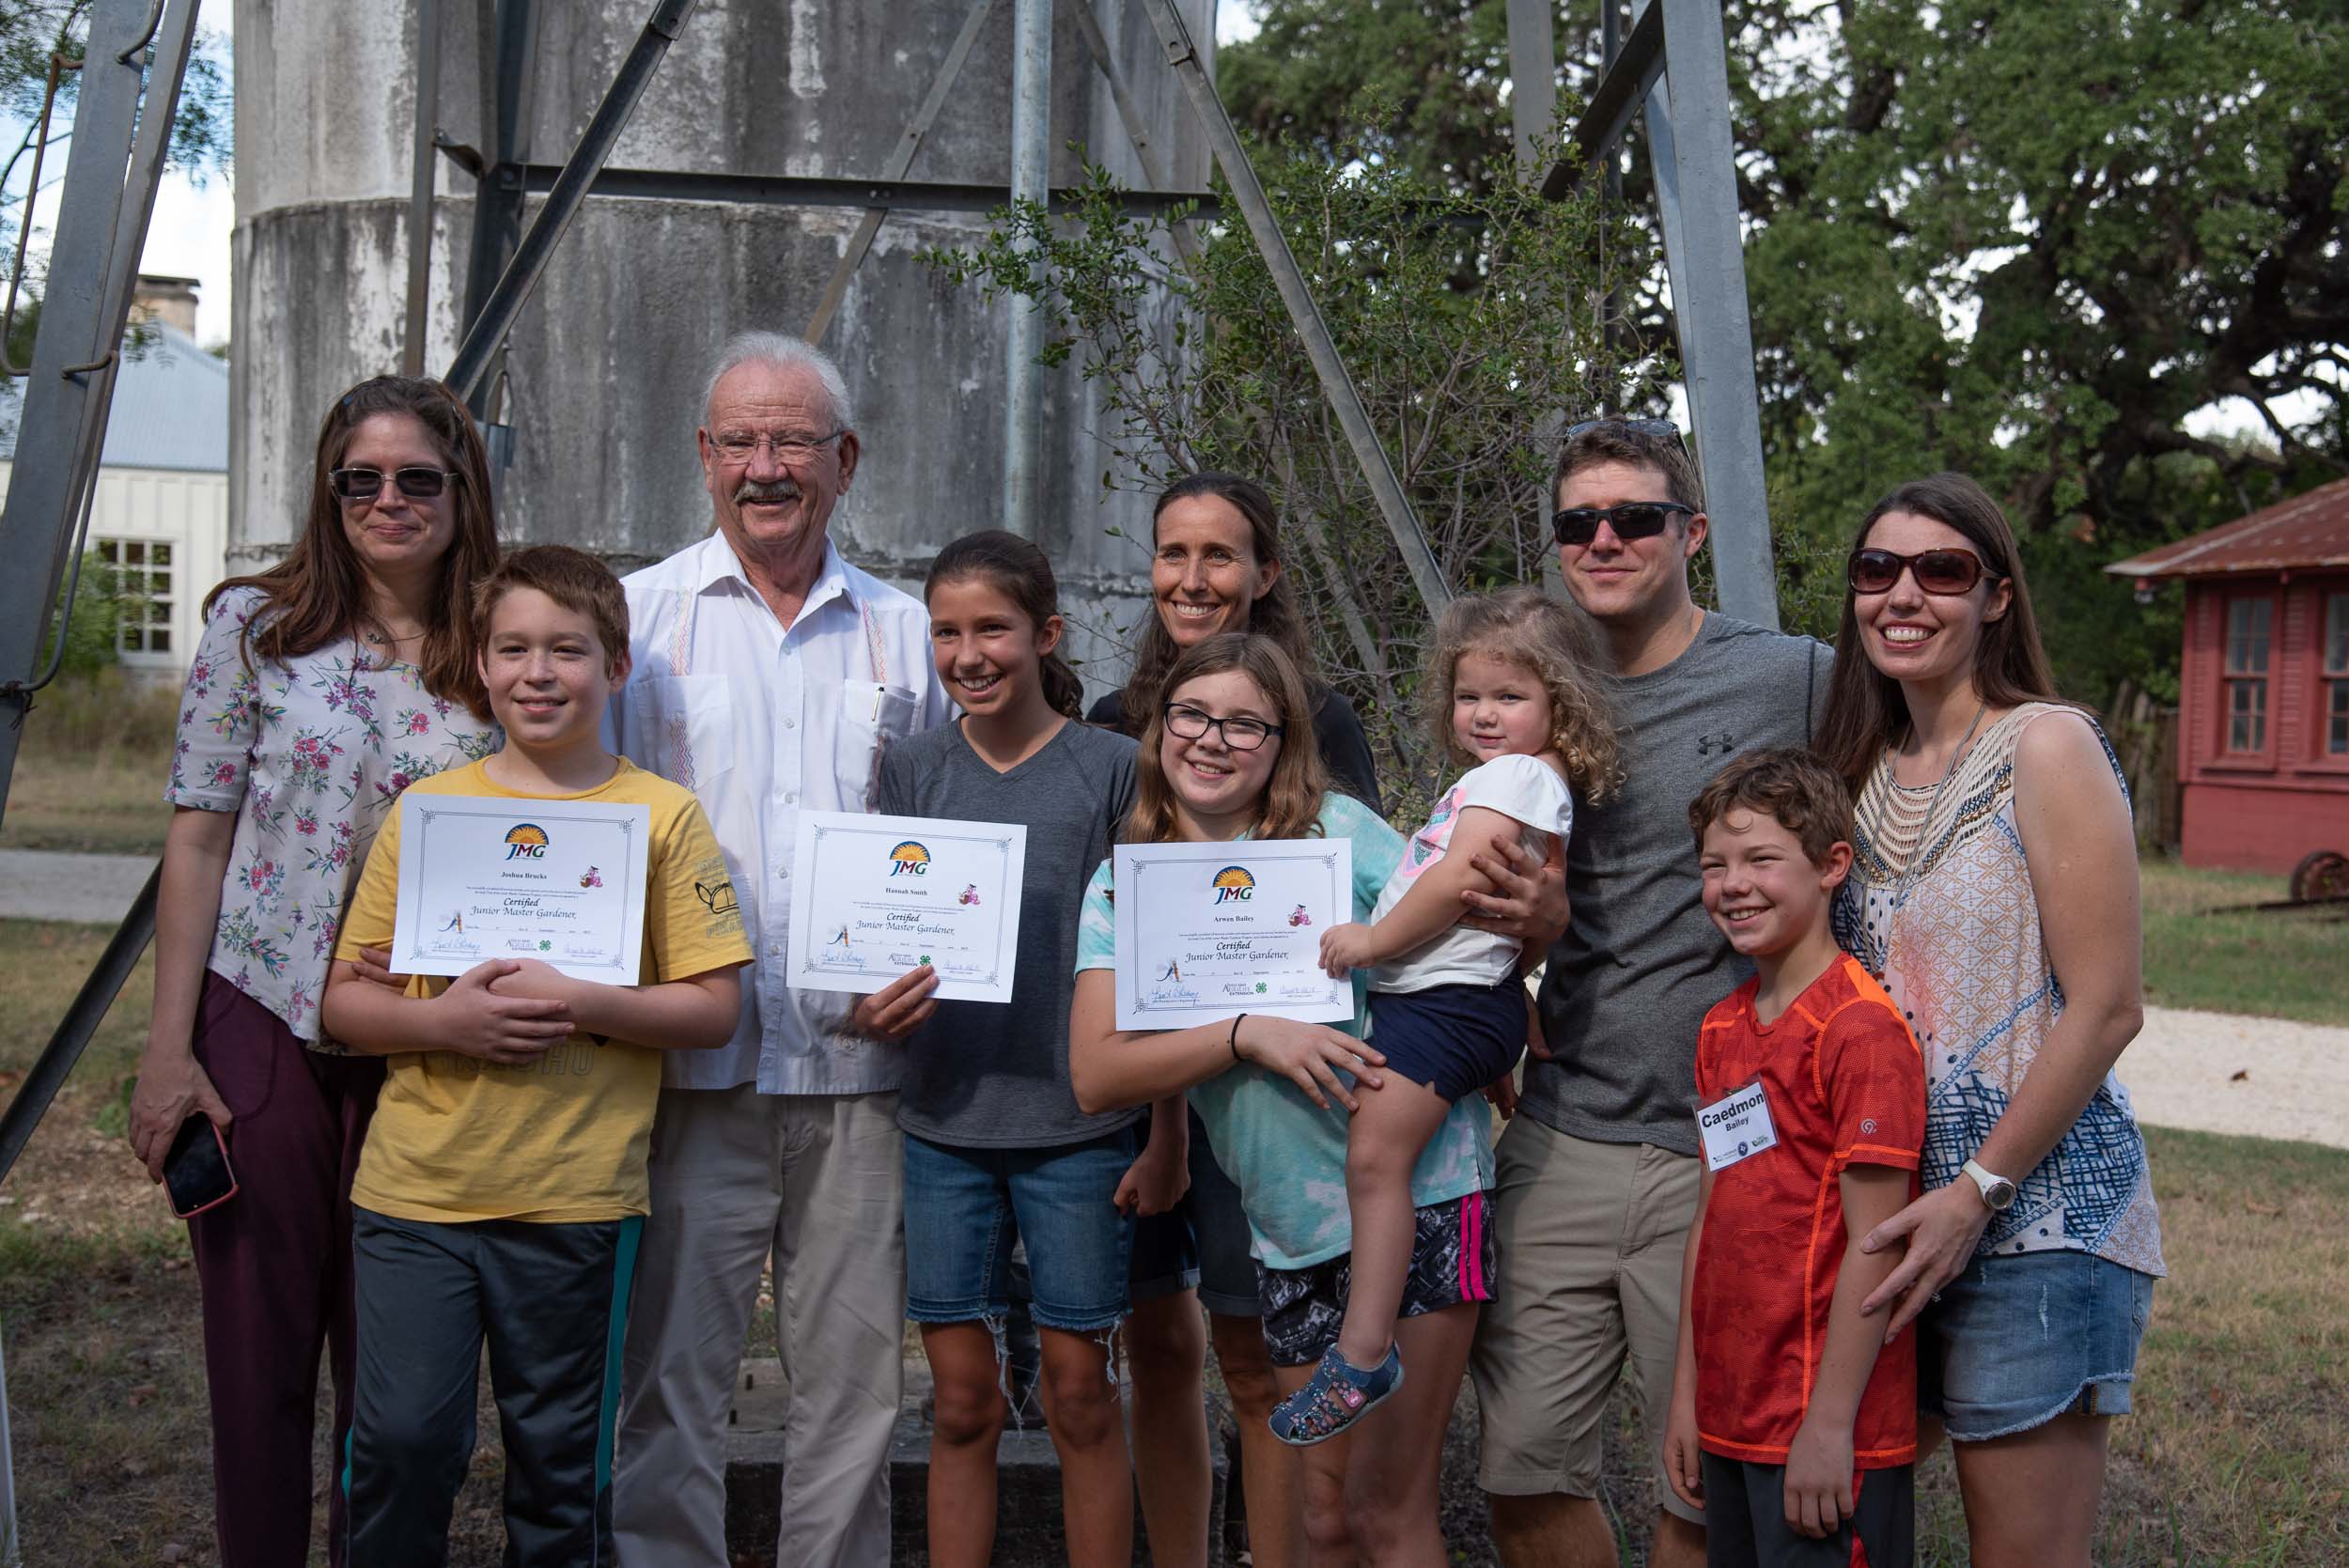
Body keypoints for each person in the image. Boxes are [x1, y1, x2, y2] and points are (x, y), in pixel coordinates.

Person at [124, 375, 501, 1568]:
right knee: (258, 1358)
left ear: (461, 490)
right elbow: (198, 834)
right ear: (329, 492)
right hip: (262, 1018)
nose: (388, 501)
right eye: (361, 479)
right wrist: (168, 1048)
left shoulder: (501, 639)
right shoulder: (256, 628)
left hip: (427, 1039)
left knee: (396, 1389)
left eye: (417, 479)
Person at [322, 546, 750, 1565]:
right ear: (480, 662)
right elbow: (345, 1000)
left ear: (617, 665)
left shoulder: (660, 817)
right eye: (513, 648)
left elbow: (713, 1007)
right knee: (401, 1443)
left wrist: (584, 999)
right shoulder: (429, 814)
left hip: (577, 1199)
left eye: (567, 649)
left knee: (560, 1468)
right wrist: (443, 1025)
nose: (538, 672)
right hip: (420, 1191)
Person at [605, 332, 954, 1567]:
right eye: (742, 440)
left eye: (794, 440)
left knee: (855, 1390)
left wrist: (935, 969)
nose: (767, 465)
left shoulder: (910, 634)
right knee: (670, 1380)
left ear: (844, 460)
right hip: (687, 1074)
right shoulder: (633, 623)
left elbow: (951, 849)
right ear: (705, 457)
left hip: (863, 1076)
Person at [1471, 418, 1835, 1568]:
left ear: (1693, 532)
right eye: (1579, 522)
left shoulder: (1798, 677)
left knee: (1704, 1480)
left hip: (1730, 1144)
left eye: (1634, 517)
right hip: (1563, 1122)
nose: (1605, 539)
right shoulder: (1533, 690)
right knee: (1519, 1469)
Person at [1068, 632, 1498, 1566]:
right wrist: (1244, 1032)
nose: (1212, 740)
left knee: (1389, 1510)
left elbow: (1474, 943)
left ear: (1281, 740)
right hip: (1289, 1225)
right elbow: (1098, 1072)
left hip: (1420, 1193)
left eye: (1243, 724)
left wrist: (1491, 1048)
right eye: (1192, 715)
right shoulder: (1128, 879)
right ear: (1159, 727)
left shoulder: (1340, 836)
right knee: (1322, 1521)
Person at [1815, 474, 2163, 1568]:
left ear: (1997, 598)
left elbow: (2106, 1006)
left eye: (1942, 570)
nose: (1903, 593)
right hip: (1890, 1211)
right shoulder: (1853, 769)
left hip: (2038, 1213)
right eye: (1879, 570)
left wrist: (1978, 1192)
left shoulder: (2046, 744)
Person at [1084, 470, 1379, 1565]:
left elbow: (1344, 918)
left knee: (1257, 1363)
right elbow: (1120, 943)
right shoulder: (1115, 723)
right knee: (1158, 1350)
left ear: (1265, 574)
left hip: (1263, 1103)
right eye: (1173, 553)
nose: (1193, 578)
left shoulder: (1314, 719)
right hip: (1146, 1091)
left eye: (1219, 556)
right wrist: (1157, 1126)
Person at [875, 530, 1177, 1567]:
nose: (969, 652)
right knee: (961, 1401)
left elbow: (1150, 960)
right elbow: (883, 928)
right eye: (946, 630)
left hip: (1080, 1129)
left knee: (1081, 1393)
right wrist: (875, 999)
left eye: (992, 627)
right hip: (943, 1123)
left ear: (1044, 635)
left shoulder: (1111, 769)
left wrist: (1165, 1132)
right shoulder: (910, 766)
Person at [1275, 588, 1613, 1444]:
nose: (1485, 714)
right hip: (1461, 1002)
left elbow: (1461, 880)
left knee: (1375, 1163)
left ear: (1558, 701)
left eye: (1510, 696)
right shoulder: (1518, 780)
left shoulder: (1519, 776)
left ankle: (1361, 1353)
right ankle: (1363, 1344)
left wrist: (1373, 938)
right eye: (1470, 696)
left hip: (1447, 1004)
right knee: (1376, 1161)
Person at [1662, 748, 1925, 1568]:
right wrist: (1687, 1398)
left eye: (1761, 859)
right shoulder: (1719, 1028)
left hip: (1824, 1428)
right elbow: (1712, 1218)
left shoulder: (1860, 1030)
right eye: (1714, 866)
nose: (1732, 884)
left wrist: (1831, 1423)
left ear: (1831, 865)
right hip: (1731, 1417)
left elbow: (1881, 1249)